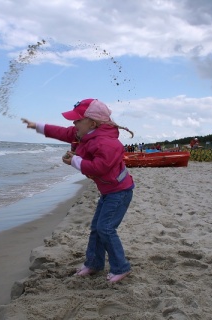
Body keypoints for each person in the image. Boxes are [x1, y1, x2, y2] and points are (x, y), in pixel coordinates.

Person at [21, 98, 135, 283]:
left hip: (120, 192)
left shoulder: (108, 143)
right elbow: (61, 132)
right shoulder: (83, 134)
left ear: (92, 123)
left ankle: (121, 267)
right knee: (96, 229)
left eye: (77, 120)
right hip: (108, 191)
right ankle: (94, 263)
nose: (73, 124)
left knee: (105, 229)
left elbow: (100, 167)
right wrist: (37, 126)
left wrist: (74, 160)